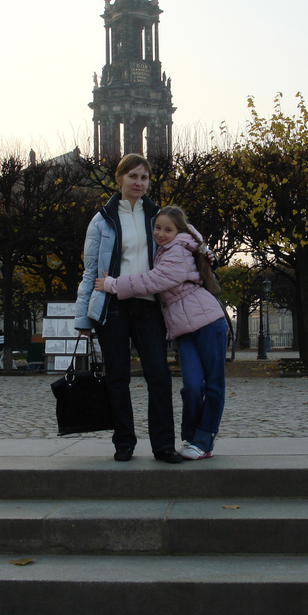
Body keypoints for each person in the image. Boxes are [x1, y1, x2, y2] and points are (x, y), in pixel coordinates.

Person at [74, 154, 182, 464]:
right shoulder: (102, 219)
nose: (139, 183)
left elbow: (182, 245)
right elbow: (90, 270)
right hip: (113, 306)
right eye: (133, 176)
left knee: (159, 375)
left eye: (144, 178)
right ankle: (124, 442)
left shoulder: (158, 217)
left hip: (149, 305)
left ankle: (163, 445)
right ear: (120, 178)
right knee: (117, 377)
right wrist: (83, 318)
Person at [95, 205, 227, 460]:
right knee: (190, 386)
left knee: (212, 385)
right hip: (184, 329)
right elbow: (191, 233)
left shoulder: (176, 251)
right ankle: (191, 438)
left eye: (168, 229)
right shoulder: (172, 247)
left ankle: (204, 440)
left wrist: (113, 284)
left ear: (178, 231)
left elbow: (154, 281)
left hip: (209, 322)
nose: (161, 233)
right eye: (157, 228)